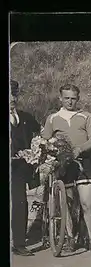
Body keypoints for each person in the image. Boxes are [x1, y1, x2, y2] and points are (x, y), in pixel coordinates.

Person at [41, 84, 91, 252]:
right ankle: (70, 238)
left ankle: (89, 239)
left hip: (84, 162)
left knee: (87, 203)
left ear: (78, 99)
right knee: (67, 203)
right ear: (60, 98)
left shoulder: (86, 116)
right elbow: (45, 140)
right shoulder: (53, 118)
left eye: (73, 98)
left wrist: (79, 149)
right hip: (63, 164)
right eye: (66, 98)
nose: (70, 101)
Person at [10, 79, 41, 256]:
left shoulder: (26, 118)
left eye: (13, 94)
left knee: (20, 202)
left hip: (18, 169)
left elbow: (40, 134)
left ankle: (19, 243)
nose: (11, 98)